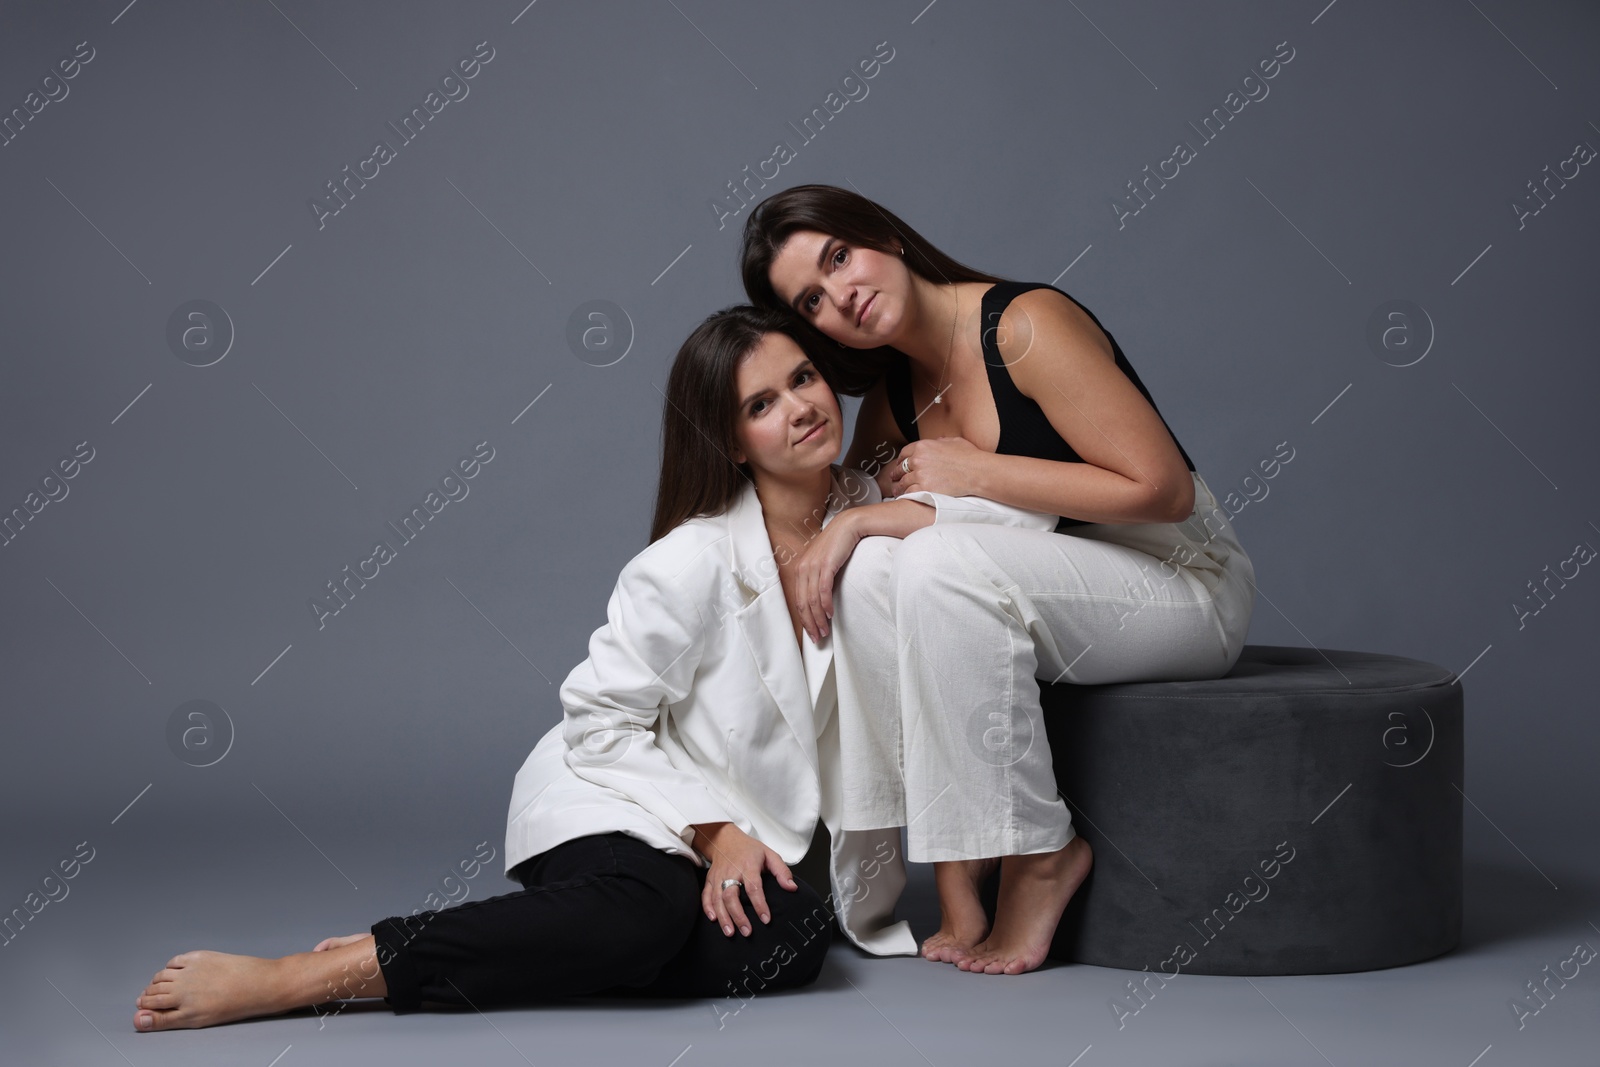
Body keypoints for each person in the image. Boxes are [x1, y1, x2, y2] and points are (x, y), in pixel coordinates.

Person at [132, 305, 1008, 1031]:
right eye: (760, 404)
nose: (800, 407)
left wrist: (859, 525)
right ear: (733, 442)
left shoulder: (877, 507)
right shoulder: (691, 561)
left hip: (750, 828)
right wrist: (712, 833)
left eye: (805, 380)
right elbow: (600, 723)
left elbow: (994, 545)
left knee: (792, 942)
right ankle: (308, 975)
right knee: (645, 916)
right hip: (616, 787)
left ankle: (508, 943)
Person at [739, 183, 1258, 976]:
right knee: (877, 559)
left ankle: (1039, 852)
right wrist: (839, 525)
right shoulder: (891, 405)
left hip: (1183, 580)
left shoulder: (1022, 327)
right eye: (812, 299)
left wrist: (979, 471)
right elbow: (865, 546)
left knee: (940, 562)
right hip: (1065, 595)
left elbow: (1164, 490)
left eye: (840, 256)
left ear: (885, 236)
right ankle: (955, 865)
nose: (841, 295)